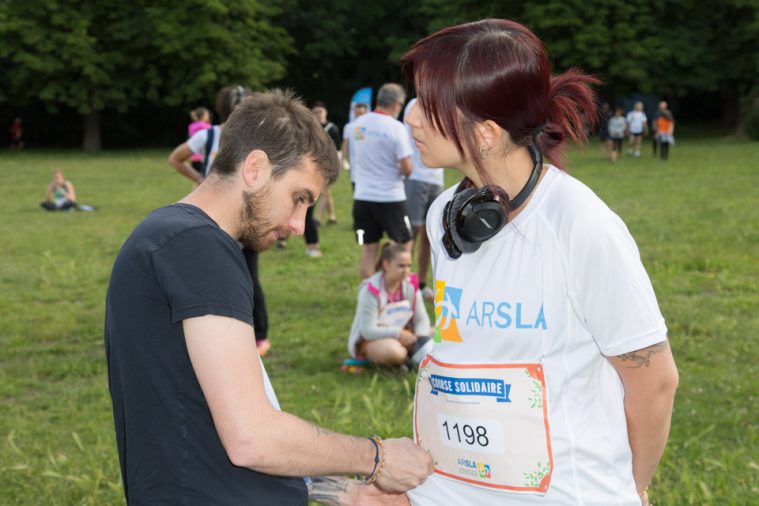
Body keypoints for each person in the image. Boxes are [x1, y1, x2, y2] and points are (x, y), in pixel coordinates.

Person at [398, 19, 678, 505]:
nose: (411, 118)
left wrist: (631, 488)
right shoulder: (445, 213)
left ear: (485, 134)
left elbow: (653, 381)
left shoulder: (581, 225)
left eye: (430, 104)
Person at [106, 89, 433, 505]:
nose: (299, 225)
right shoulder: (198, 248)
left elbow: (206, 429)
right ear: (256, 168)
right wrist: (377, 457)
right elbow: (250, 437)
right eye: (299, 198)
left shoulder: (170, 237)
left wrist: (343, 491)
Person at [169, 86, 272, 355]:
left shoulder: (257, 138)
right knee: (211, 273)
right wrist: (200, 180)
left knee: (248, 276)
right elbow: (175, 159)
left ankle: (259, 335)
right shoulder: (209, 135)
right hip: (213, 217)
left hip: (247, 216)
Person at [352, 83, 414, 279]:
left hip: (362, 197)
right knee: (404, 244)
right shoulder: (396, 127)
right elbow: (407, 168)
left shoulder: (358, 124)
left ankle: (368, 295)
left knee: (368, 250)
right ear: (396, 104)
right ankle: (397, 292)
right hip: (391, 197)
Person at [347, 242, 433, 367]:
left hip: (408, 333)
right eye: (401, 266)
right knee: (395, 352)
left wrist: (419, 338)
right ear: (386, 265)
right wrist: (398, 334)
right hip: (373, 339)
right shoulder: (370, 290)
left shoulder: (411, 285)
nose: (406, 270)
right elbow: (367, 331)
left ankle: (415, 356)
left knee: (443, 334)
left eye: (409, 265)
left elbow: (422, 319)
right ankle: (408, 359)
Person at [403, 98, 444, 299]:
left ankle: (421, 283)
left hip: (436, 179)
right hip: (416, 178)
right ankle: (404, 284)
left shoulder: (442, 101)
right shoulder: (415, 105)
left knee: (430, 235)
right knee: (412, 233)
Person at [312, 101, 341, 226]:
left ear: (325, 112)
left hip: (328, 164)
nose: (318, 114)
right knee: (326, 191)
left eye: (320, 111)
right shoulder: (311, 128)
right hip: (313, 164)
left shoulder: (332, 128)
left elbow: (338, 148)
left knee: (323, 190)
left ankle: (317, 218)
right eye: (315, 112)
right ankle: (332, 216)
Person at [341, 102, 369, 191]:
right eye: (358, 113)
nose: (360, 115)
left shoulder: (371, 126)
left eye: (362, 113)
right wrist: (342, 159)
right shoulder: (349, 127)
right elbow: (345, 145)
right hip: (355, 166)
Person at [187, 106, 212, 174]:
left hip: (193, 157)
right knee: (204, 179)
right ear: (202, 116)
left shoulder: (191, 126)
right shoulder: (207, 126)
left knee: (197, 179)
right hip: (202, 157)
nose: (208, 116)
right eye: (207, 114)